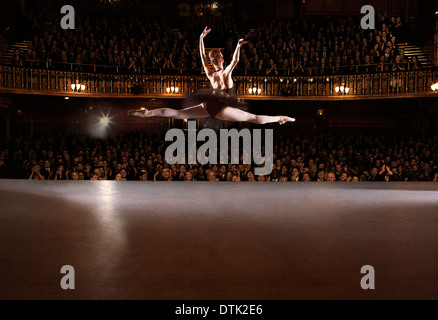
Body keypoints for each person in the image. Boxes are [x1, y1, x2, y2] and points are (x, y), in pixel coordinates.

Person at [128, 27, 295, 125]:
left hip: (208, 105)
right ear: (222, 58)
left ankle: (148, 113)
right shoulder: (226, 71)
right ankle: (280, 118)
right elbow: (236, 60)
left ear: (212, 60)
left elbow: (201, 55)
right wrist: (238, 46)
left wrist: (201, 38)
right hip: (223, 108)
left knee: (178, 114)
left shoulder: (210, 73)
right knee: (254, 118)